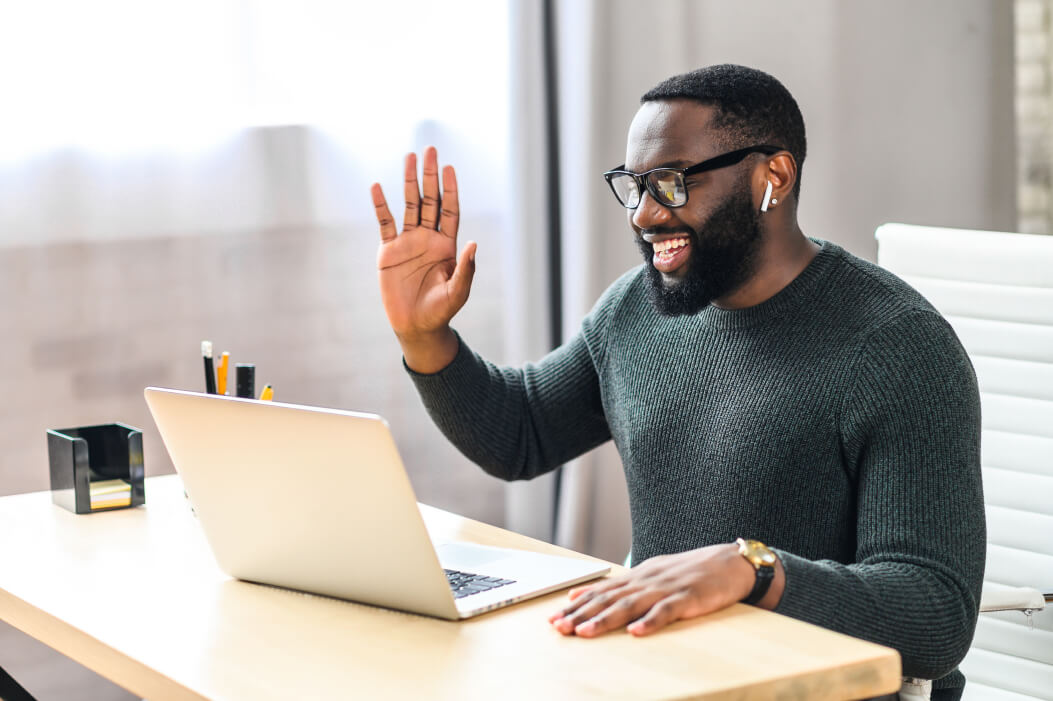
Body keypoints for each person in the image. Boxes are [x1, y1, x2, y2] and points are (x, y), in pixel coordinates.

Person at [369, 64, 984, 699]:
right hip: (668, 674)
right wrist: (425, 337)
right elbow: (520, 434)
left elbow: (935, 614)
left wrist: (752, 569)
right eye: (634, 186)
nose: (642, 215)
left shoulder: (899, 346)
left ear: (772, 177)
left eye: (669, 183)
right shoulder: (636, 308)